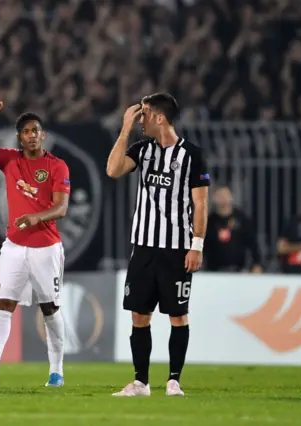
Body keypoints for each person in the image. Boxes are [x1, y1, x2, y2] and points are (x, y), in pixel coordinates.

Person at [106, 93, 210, 397]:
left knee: (178, 315)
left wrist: (197, 245)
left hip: (177, 247)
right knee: (140, 315)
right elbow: (112, 170)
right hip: (143, 245)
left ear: (159, 117)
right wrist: (124, 130)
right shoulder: (142, 150)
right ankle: (140, 382)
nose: (141, 120)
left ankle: (174, 380)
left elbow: (200, 204)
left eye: (144, 115)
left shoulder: (191, 154)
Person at [0, 99, 70, 387]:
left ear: (43, 135)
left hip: (46, 248)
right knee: (3, 304)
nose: (32, 134)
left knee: (50, 308)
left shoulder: (57, 166)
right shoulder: (10, 160)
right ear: (19, 138)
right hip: (13, 247)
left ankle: (56, 372)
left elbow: (61, 209)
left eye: (36, 130)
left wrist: (36, 218)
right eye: (26, 131)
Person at [205, 185, 263, 273]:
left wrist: (257, 263)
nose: (223, 199)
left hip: (238, 271)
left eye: (225, 195)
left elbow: (253, 243)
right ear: (214, 198)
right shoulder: (209, 221)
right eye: (219, 196)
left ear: (231, 197)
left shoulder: (242, 219)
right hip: (214, 271)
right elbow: (203, 245)